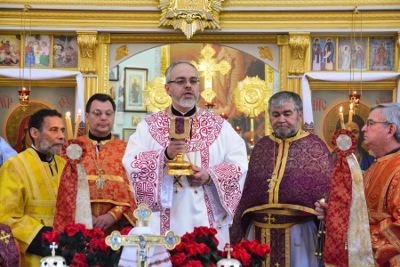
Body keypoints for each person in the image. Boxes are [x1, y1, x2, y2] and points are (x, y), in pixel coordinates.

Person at [122, 60, 248, 249]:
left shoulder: (220, 127)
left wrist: (209, 176)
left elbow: (239, 165)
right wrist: (164, 155)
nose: (188, 85)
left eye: (193, 81)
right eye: (180, 81)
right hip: (162, 220)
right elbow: (132, 163)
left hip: (207, 220)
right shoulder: (148, 127)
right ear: (167, 89)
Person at [230, 91, 334, 267]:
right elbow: (248, 195)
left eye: (287, 114)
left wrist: (326, 208)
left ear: (299, 115)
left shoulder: (316, 147)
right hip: (258, 233)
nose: (281, 120)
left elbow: (328, 193)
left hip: (298, 234)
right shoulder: (261, 147)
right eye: (275, 115)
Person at [316, 102, 400, 266]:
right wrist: (336, 218)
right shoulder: (373, 168)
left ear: (390, 130)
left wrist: (357, 238)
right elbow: (362, 215)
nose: (363, 129)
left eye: (370, 124)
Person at [0, 109, 66, 266]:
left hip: (65, 252)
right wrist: (44, 236)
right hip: (33, 255)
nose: (61, 136)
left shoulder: (65, 165)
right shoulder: (15, 165)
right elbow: (6, 217)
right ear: (35, 133)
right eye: (54, 130)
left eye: (62, 130)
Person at [71, 93, 136, 235]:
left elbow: (134, 190)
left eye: (108, 113)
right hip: (80, 227)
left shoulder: (127, 149)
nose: (103, 118)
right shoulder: (73, 149)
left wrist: (113, 215)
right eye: (97, 113)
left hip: (117, 228)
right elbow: (66, 190)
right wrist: (86, 216)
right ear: (87, 117)